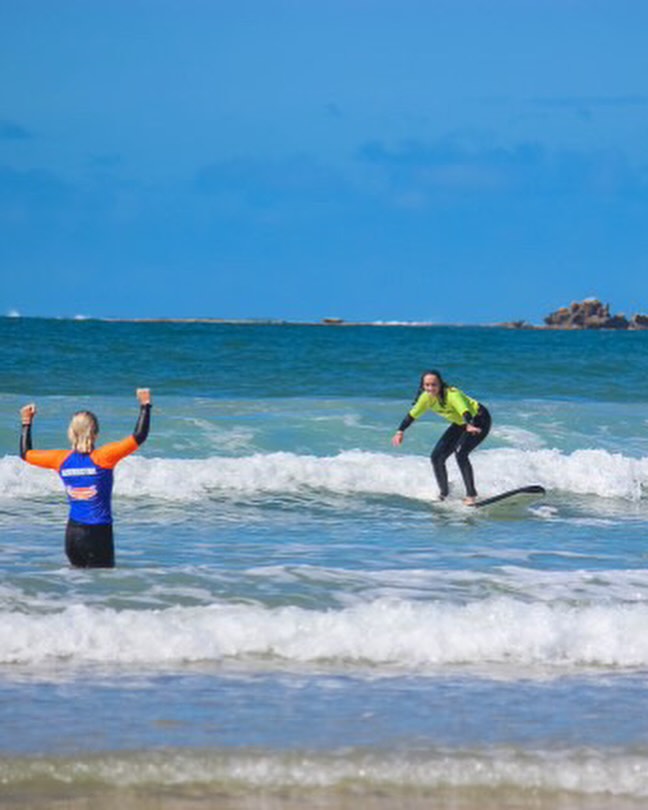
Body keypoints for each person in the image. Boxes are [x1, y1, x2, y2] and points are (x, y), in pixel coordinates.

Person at [19, 389, 152, 567]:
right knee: (103, 589)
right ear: (95, 433)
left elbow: (25, 453)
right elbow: (139, 436)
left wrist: (26, 421)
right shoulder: (104, 457)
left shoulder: (60, 459)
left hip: (73, 535)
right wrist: (145, 404)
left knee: (78, 588)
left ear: (71, 433)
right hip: (98, 534)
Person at [391, 370, 490, 505]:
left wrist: (469, 424)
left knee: (461, 454)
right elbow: (412, 415)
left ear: (440, 384)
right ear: (423, 386)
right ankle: (444, 494)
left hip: (478, 419)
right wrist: (400, 431)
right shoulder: (426, 398)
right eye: (427, 385)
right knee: (436, 457)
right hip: (461, 423)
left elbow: (464, 411)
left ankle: (471, 495)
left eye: (434, 385)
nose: (430, 388)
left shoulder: (452, 394)